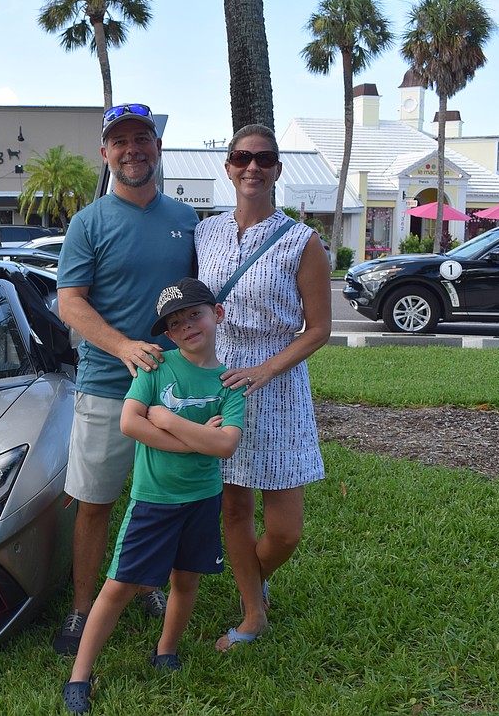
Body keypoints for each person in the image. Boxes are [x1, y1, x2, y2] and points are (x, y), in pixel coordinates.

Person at [53, 103, 199, 655]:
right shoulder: (88, 223)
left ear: (157, 148)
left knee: (159, 500)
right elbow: (70, 303)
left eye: (143, 139)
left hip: (173, 391)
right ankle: (81, 607)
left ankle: (142, 584)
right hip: (106, 389)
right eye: (121, 142)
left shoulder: (187, 221)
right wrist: (122, 346)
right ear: (105, 154)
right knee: (94, 503)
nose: (133, 149)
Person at [61, 278, 245, 714]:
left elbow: (226, 445)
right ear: (167, 333)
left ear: (217, 315)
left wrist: (168, 419)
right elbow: (129, 423)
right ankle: (79, 676)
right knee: (119, 585)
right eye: (175, 323)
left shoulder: (230, 382)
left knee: (186, 578)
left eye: (194, 315)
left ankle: (166, 650)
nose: (187, 326)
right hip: (154, 500)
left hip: (202, 498)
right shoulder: (156, 368)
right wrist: (196, 437)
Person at [193, 124, 331, 651]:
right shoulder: (205, 234)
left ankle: (254, 576)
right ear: (228, 167)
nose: (253, 166)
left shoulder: (302, 241)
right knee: (233, 508)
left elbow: (319, 329)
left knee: (286, 528)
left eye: (264, 158)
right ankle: (253, 612)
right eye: (242, 157)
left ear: (277, 169)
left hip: (277, 386)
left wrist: (267, 370)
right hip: (220, 379)